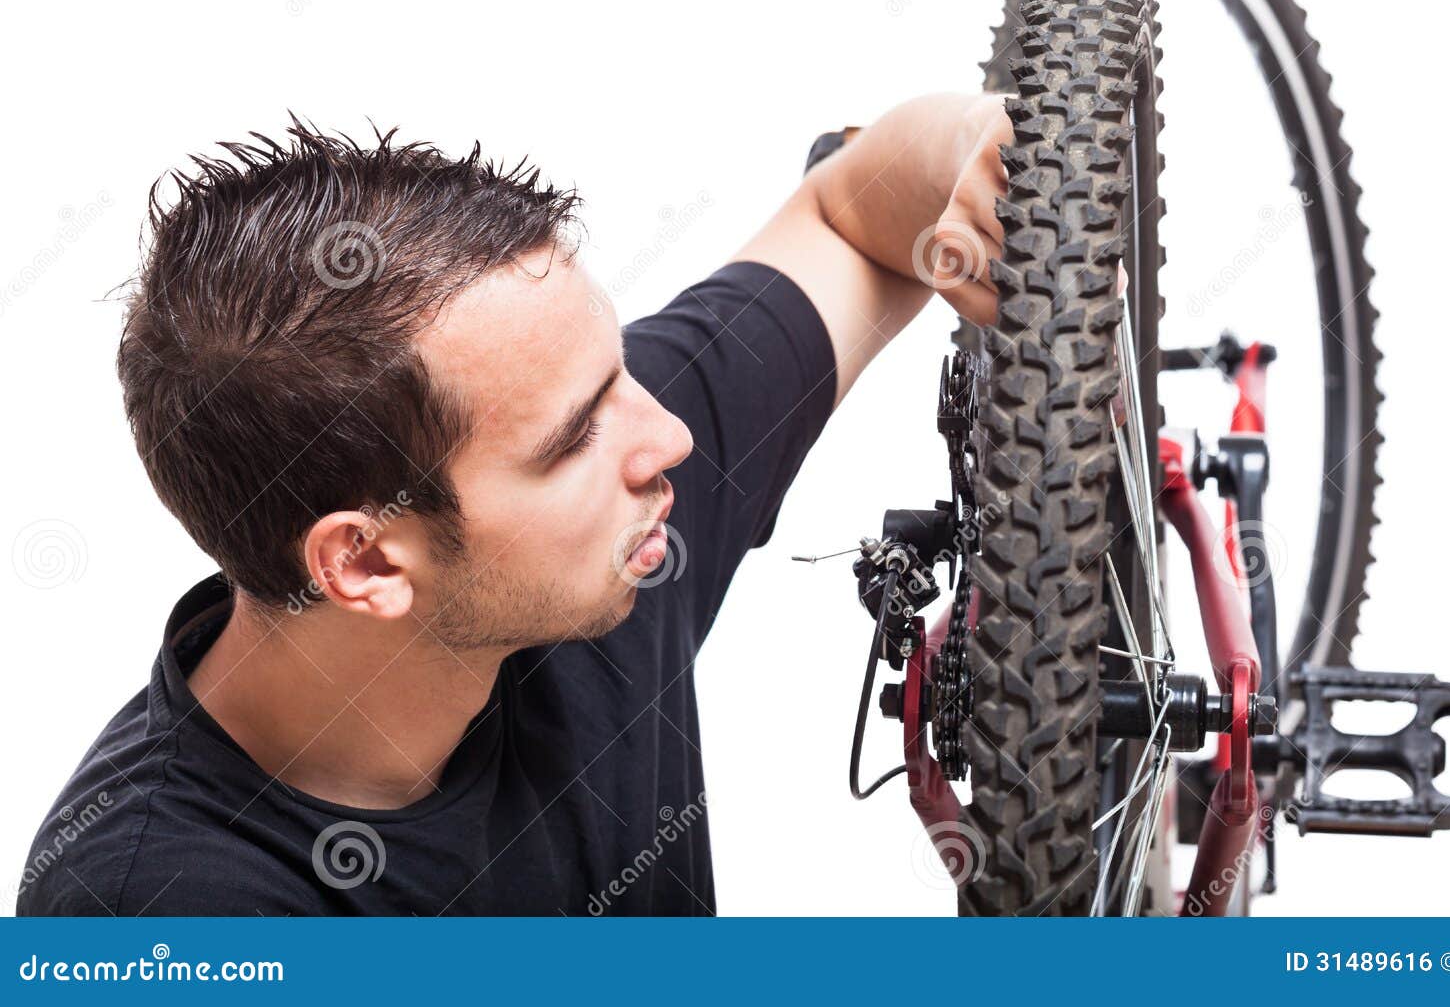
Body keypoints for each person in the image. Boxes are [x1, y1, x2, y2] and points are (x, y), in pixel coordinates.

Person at [16, 95, 1008, 915]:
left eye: (619, 368)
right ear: (364, 562)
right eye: (575, 435)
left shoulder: (591, 516)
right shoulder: (155, 916)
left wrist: (991, 153)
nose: (667, 438)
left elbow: (849, 212)